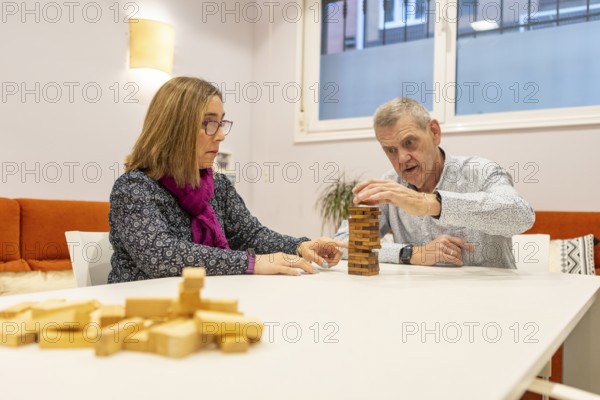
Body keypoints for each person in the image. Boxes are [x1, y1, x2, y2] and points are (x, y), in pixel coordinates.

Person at [108, 77, 344, 283]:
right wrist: (252, 263)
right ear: (175, 129)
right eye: (209, 123)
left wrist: (300, 246)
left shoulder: (218, 186)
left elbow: (250, 235)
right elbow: (161, 256)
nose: (220, 135)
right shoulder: (134, 188)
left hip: (202, 301)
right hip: (141, 313)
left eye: (221, 123)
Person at [334, 98, 535, 269]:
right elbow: (343, 244)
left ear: (434, 132)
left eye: (409, 142)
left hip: (491, 302)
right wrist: (411, 253)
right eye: (391, 150)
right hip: (419, 305)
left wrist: (430, 203)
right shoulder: (389, 188)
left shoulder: (481, 172)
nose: (402, 158)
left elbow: (521, 216)